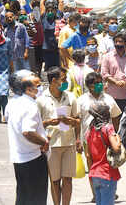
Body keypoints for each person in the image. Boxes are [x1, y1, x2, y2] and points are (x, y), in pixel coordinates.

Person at [37, 66, 81, 205]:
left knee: (67, 179)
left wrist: (72, 122)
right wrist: (49, 122)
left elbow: (78, 120)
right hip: (51, 145)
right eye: (64, 79)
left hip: (69, 143)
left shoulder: (70, 97)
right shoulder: (41, 99)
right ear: (54, 81)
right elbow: (36, 125)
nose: (66, 81)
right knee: (55, 180)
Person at [77, 72, 122, 203]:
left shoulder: (108, 99)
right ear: (89, 86)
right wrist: (78, 140)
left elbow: (115, 116)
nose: (99, 85)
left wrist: (115, 134)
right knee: (93, 166)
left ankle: (108, 191)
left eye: (100, 82)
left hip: (108, 139)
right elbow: (77, 120)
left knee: (110, 163)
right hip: (89, 139)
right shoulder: (81, 101)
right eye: (96, 83)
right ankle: (96, 193)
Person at [5, 71, 49, 205]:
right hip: (33, 158)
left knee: (23, 197)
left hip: (19, 157)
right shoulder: (30, 106)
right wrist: (44, 141)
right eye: (37, 85)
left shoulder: (12, 103)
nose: (40, 87)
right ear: (28, 88)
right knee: (37, 198)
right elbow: (27, 132)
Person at [86, 101, 121, 205]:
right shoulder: (108, 128)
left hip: (95, 173)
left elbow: (88, 155)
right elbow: (116, 148)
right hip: (107, 173)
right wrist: (118, 138)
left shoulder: (90, 130)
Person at [101, 32, 126, 113]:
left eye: (120, 42)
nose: (118, 44)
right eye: (116, 42)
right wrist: (116, 82)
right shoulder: (107, 57)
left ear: (125, 43)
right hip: (112, 95)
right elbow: (104, 74)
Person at [40, 0, 64, 70]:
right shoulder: (44, 17)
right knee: (49, 69)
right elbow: (42, 2)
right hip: (47, 48)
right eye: (48, 10)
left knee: (58, 69)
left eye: (52, 10)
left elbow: (61, 1)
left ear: (55, 10)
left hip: (57, 48)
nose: (50, 12)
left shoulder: (58, 16)